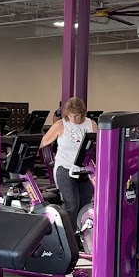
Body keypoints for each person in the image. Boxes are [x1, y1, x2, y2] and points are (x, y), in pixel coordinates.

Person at [39, 96, 97, 232]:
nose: (73, 119)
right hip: (65, 168)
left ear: (82, 113)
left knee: (85, 204)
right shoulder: (61, 124)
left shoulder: (91, 124)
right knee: (72, 205)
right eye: (70, 116)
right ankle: (68, 236)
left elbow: (97, 145)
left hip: (84, 170)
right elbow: (42, 142)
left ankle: (81, 234)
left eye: (76, 116)